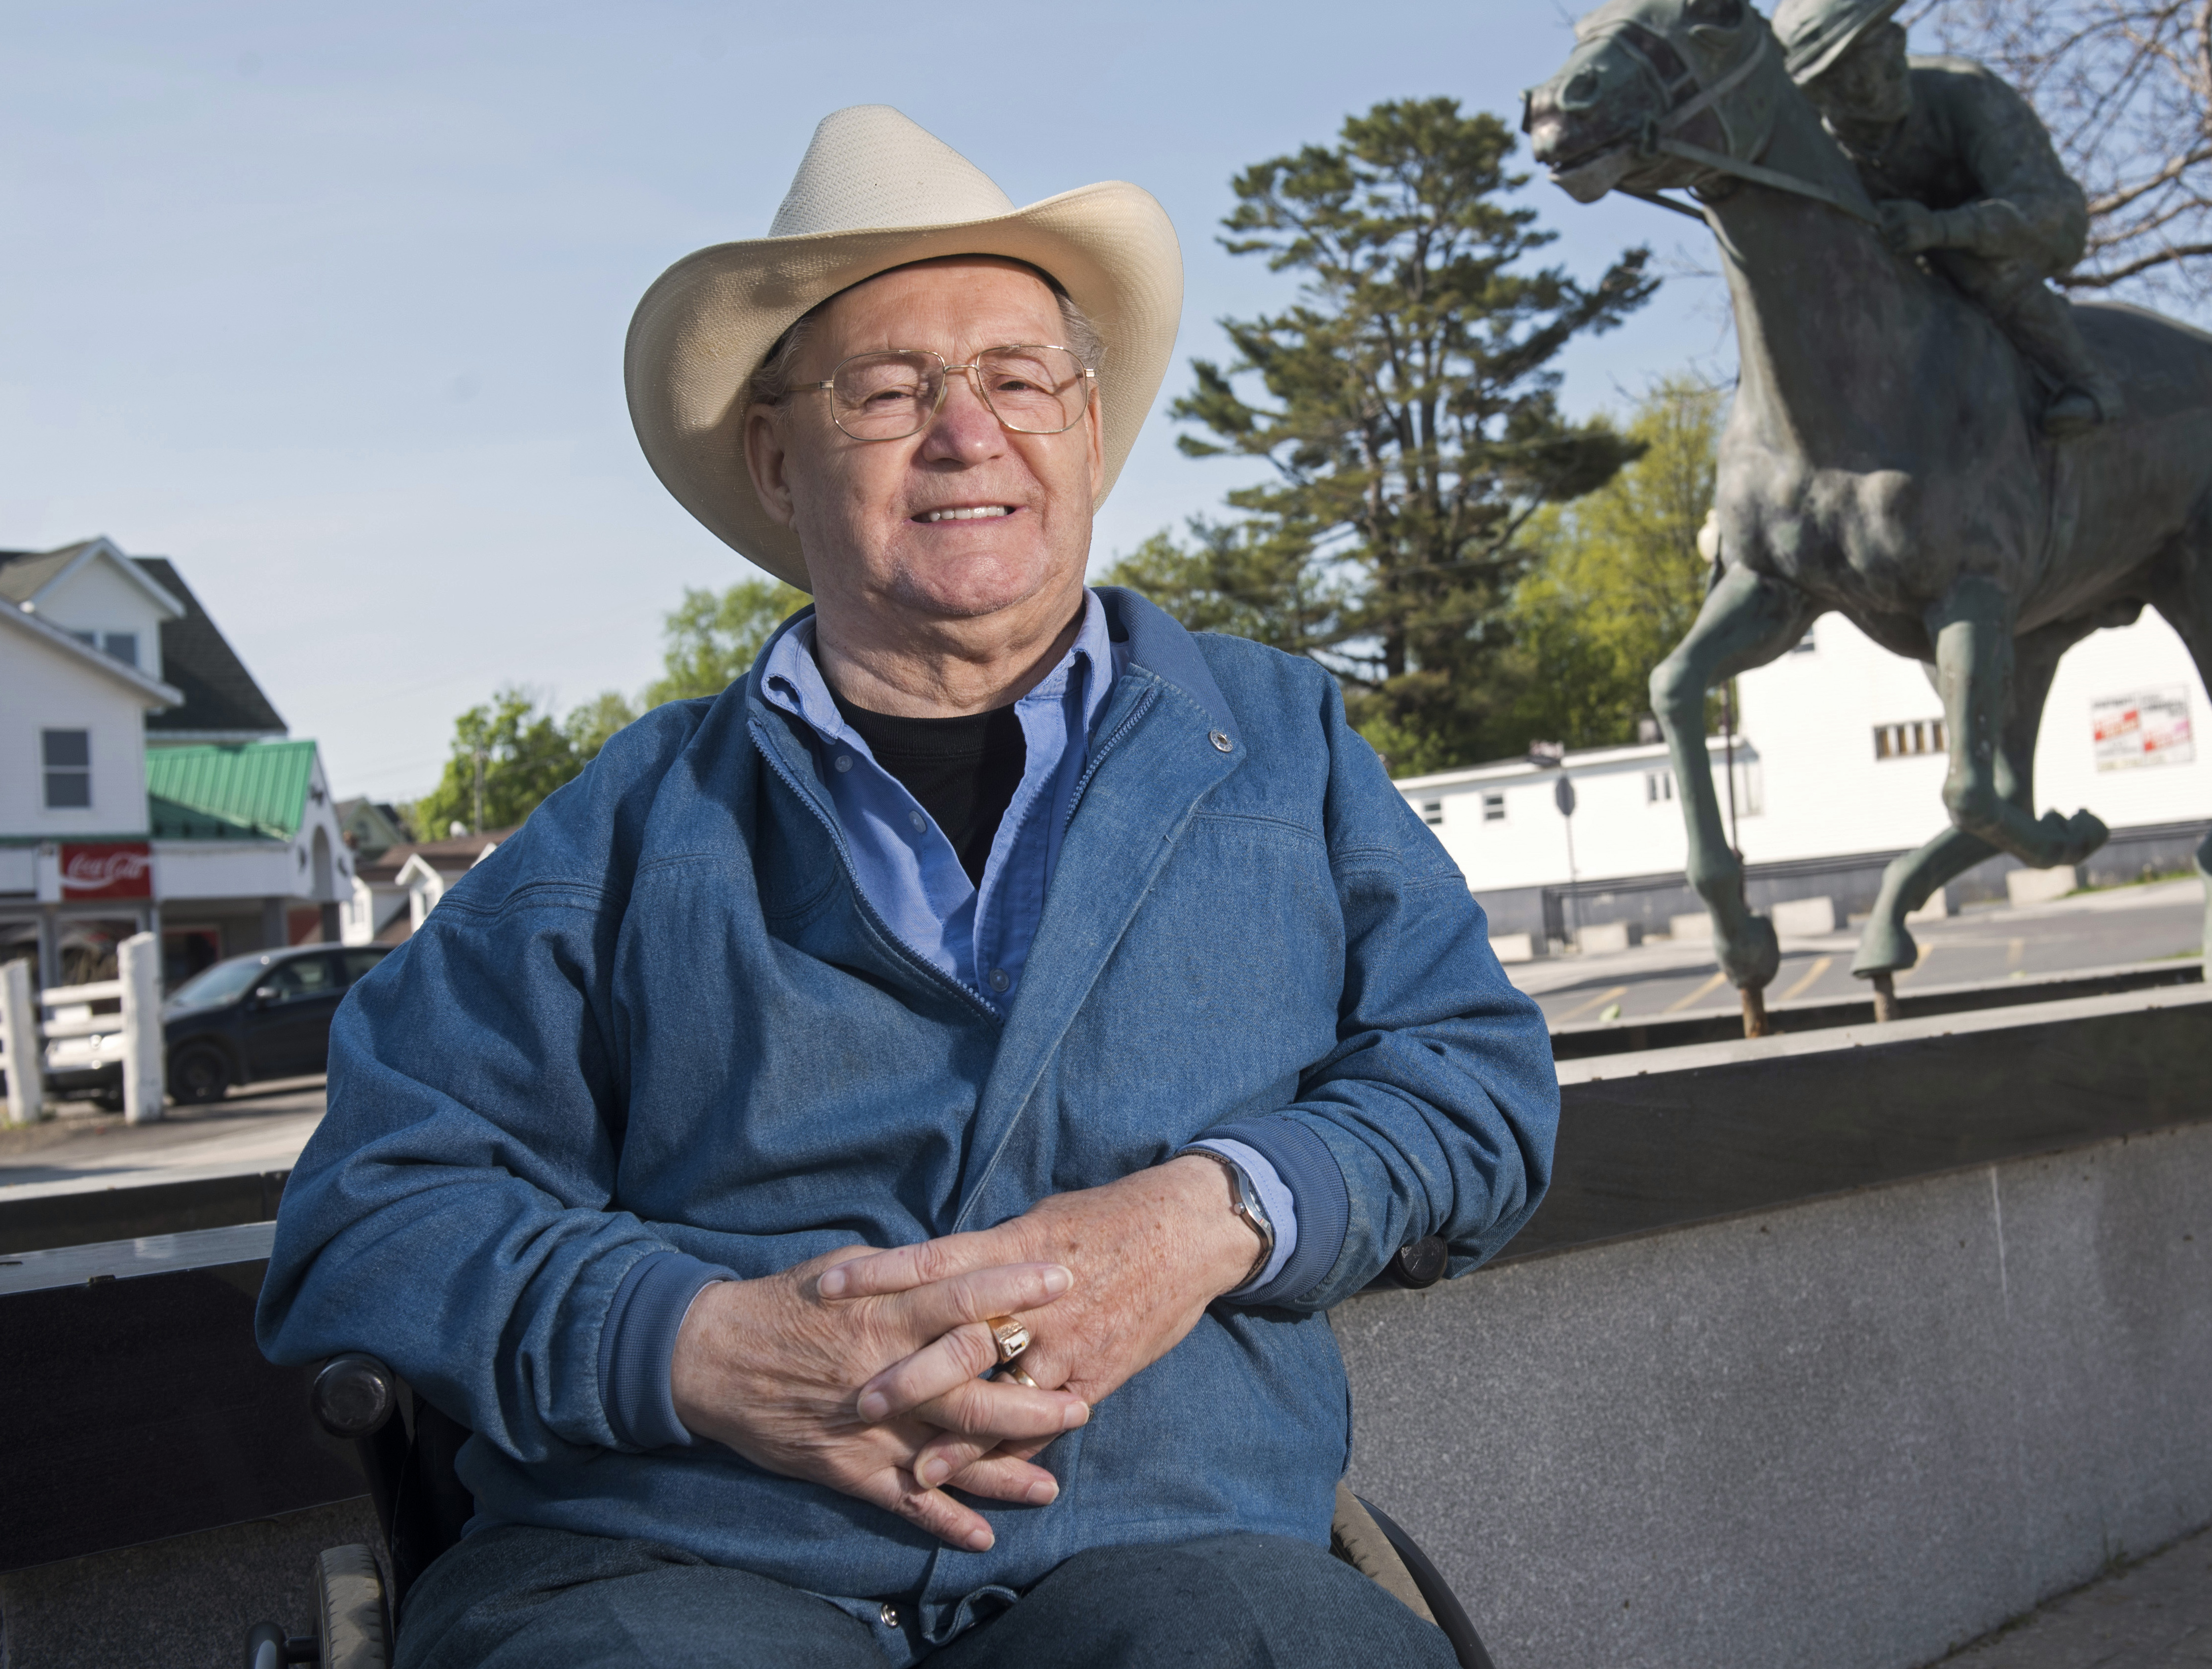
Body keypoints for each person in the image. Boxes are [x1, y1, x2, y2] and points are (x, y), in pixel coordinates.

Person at [257, 106, 1559, 1669]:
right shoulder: (626, 822)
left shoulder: (1282, 746)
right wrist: (695, 1344)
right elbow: (371, 1209)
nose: (966, 432)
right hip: (676, 1554)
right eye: (888, 389)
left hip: (1172, 1542)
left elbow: (1477, 1084)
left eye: (1019, 378)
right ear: (776, 457)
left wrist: (1212, 1213)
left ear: (1088, 430)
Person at [1772, 0, 2123, 434]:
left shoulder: (1967, 92)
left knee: (1969, 262)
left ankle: (2085, 382)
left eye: (1887, 58)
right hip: (1908, 254)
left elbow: (2045, 207)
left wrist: (1942, 229)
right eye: (1852, 80)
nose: (1880, 83)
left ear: (1898, 40)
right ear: (1817, 95)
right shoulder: (1821, 148)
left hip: (2030, 231)